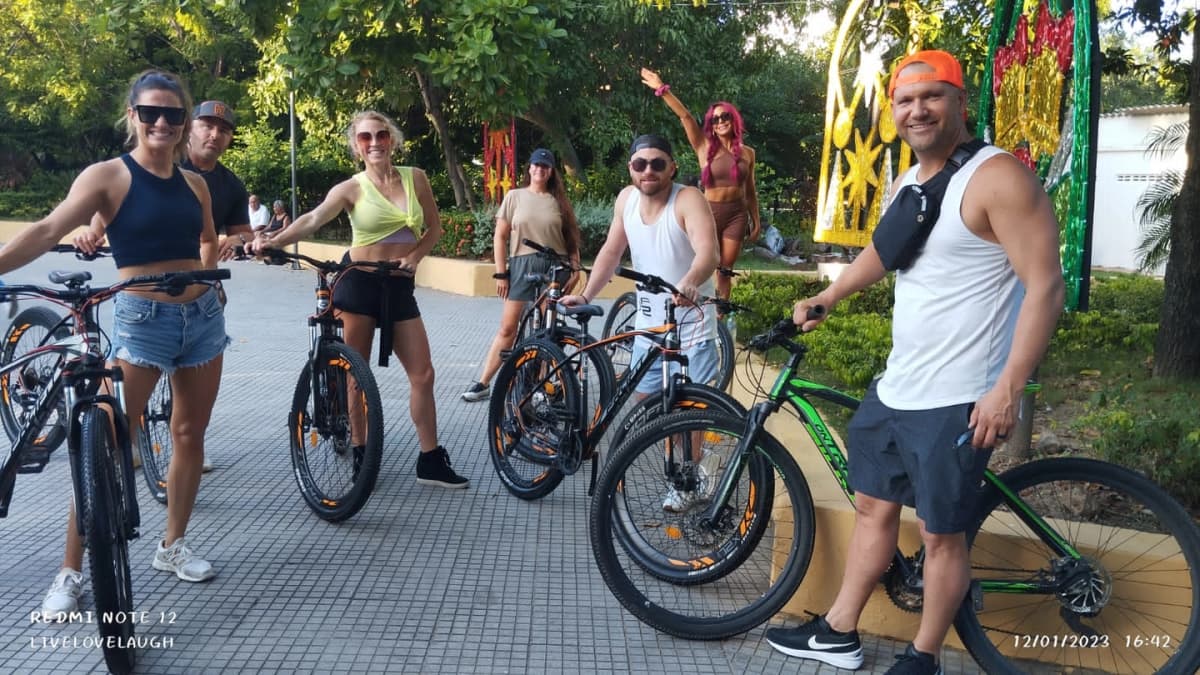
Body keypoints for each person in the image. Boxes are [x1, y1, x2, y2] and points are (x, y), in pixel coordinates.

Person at [764, 50, 1065, 674]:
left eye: (931, 96)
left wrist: (1007, 388)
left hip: (961, 394)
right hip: (898, 385)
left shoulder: (999, 178)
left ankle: (923, 655)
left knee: (939, 535)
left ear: (960, 100)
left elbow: (1044, 286)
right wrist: (829, 294)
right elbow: (884, 252)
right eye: (905, 101)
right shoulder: (908, 185)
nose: (916, 110)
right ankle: (838, 631)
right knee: (873, 506)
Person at [0, 70, 229, 620]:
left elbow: (205, 238)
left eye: (173, 114)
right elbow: (49, 227)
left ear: (184, 122)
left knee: (189, 433)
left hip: (200, 320)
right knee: (104, 444)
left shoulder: (195, 183)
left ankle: (172, 546)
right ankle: (71, 572)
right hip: (140, 319)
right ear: (132, 116)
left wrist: (210, 280)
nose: (162, 123)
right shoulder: (109, 176)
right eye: (150, 113)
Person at [250, 110, 469, 489]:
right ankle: (362, 452)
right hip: (359, 284)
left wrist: (415, 257)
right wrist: (272, 242)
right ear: (357, 146)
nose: (374, 143)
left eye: (381, 135)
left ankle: (430, 459)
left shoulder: (415, 178)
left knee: (424, 374)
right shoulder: (351, 187)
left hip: (399, 284)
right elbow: (313, 219)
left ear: (392, 139)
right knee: (356, 375)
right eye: (365, 138)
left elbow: (433, 228)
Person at [79, 99, 251, 474]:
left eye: (223, 130)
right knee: (132, 372)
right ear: (190, 129)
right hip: (147, 292)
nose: (214, 134)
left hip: (199, 290)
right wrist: (91, 233)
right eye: (207, 125)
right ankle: (127, 438)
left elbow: (240, 235)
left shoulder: (229, 184)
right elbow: (107, 205)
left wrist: (232, 250)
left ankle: (186, 445)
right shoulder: (163, 163)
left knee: (190, 371)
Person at [560, 134, 718, 511]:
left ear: (672, 167)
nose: (649, 170)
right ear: (630, 168)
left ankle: (690, 477)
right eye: (640, 164)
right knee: (654, 404)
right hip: (650, 327)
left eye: (658, 163)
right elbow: (612, 252)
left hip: (691, 325)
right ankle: (683, 465)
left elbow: (707, 251)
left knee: (688, 410)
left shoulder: (687, 199)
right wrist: (586, 295)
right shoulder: (626, 200)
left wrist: (691, 280)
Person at [460, 148, 582, 402]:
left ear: (551, 171)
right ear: (529, 168)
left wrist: (575, 266)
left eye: (545, 166)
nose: (540, 169)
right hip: (521, 266)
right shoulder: (514, 196)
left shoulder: (558, 201)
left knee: (547, 329)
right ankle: (483, 382)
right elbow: (500, 236)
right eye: (536, 165)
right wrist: (501, 273)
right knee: (508, 327)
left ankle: (540, 385)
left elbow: (571, 239)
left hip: (554, 267)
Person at [640, 67, 760, 302]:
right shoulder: (703, 147)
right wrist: (662, 89)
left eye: (725, 116)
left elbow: (750, 190)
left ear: (733, 120)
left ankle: (720, 319)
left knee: (725, 270)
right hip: (709, 212)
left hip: (737, 214)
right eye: (716, 119)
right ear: (711, 125)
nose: (721, 121)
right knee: (704, 264)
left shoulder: (748, 153)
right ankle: (693, 307)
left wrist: (755, 219)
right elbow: (684, 116)